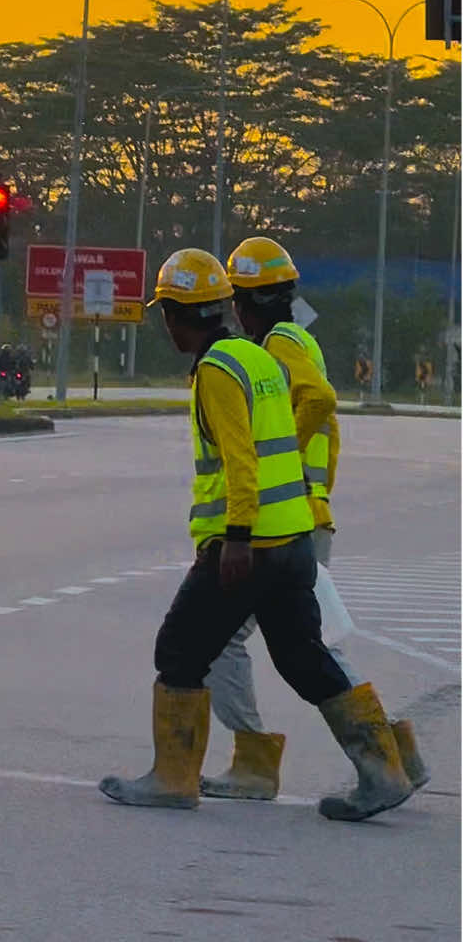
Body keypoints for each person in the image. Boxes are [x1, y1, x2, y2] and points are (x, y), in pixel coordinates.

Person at [97, 248, 414, 822]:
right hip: (293, 542)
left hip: (251, 545)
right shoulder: (256, 356)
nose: (166, 325)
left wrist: (236, 538)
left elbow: (242, 460)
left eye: (166, 313)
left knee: (178, 652)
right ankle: (384, 769)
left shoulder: (217, 370)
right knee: (302, 657)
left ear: (176, 315)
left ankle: (173, 777)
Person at [199, 237, 427, 800]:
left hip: (288, 517)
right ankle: (396, 752)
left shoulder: (278, 342)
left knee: (220, 640)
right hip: (307, 513)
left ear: (240, 303)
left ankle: (255, 760)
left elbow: (321, 399)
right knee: (313, 646)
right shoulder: (297, 337)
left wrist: (277, 452)